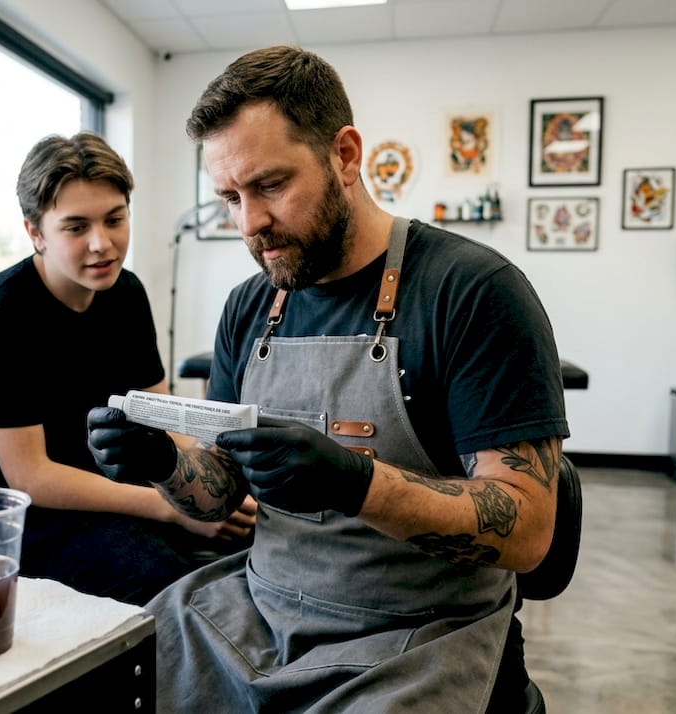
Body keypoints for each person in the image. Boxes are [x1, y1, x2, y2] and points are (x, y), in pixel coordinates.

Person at [87, 47, 569, 712]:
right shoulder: (251, 307)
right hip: (263, 609)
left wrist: (356, 482)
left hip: (419, 632)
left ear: (345, 155)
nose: (249, 224)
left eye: (271, 186)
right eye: (230, 198)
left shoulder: (473, 294)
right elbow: (219, 495)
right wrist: (163, 462)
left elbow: (528, 529)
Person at [0, 132, 255, 606]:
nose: (102, 244)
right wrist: (174, 511)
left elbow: (163, 419)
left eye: (114, 219)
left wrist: (205, 490)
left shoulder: (126, 293)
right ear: (35, 233)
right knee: (177, 588)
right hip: (27, 516)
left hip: (111, 487)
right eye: (75, 228)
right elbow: (32, 477)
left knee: (256, 543)